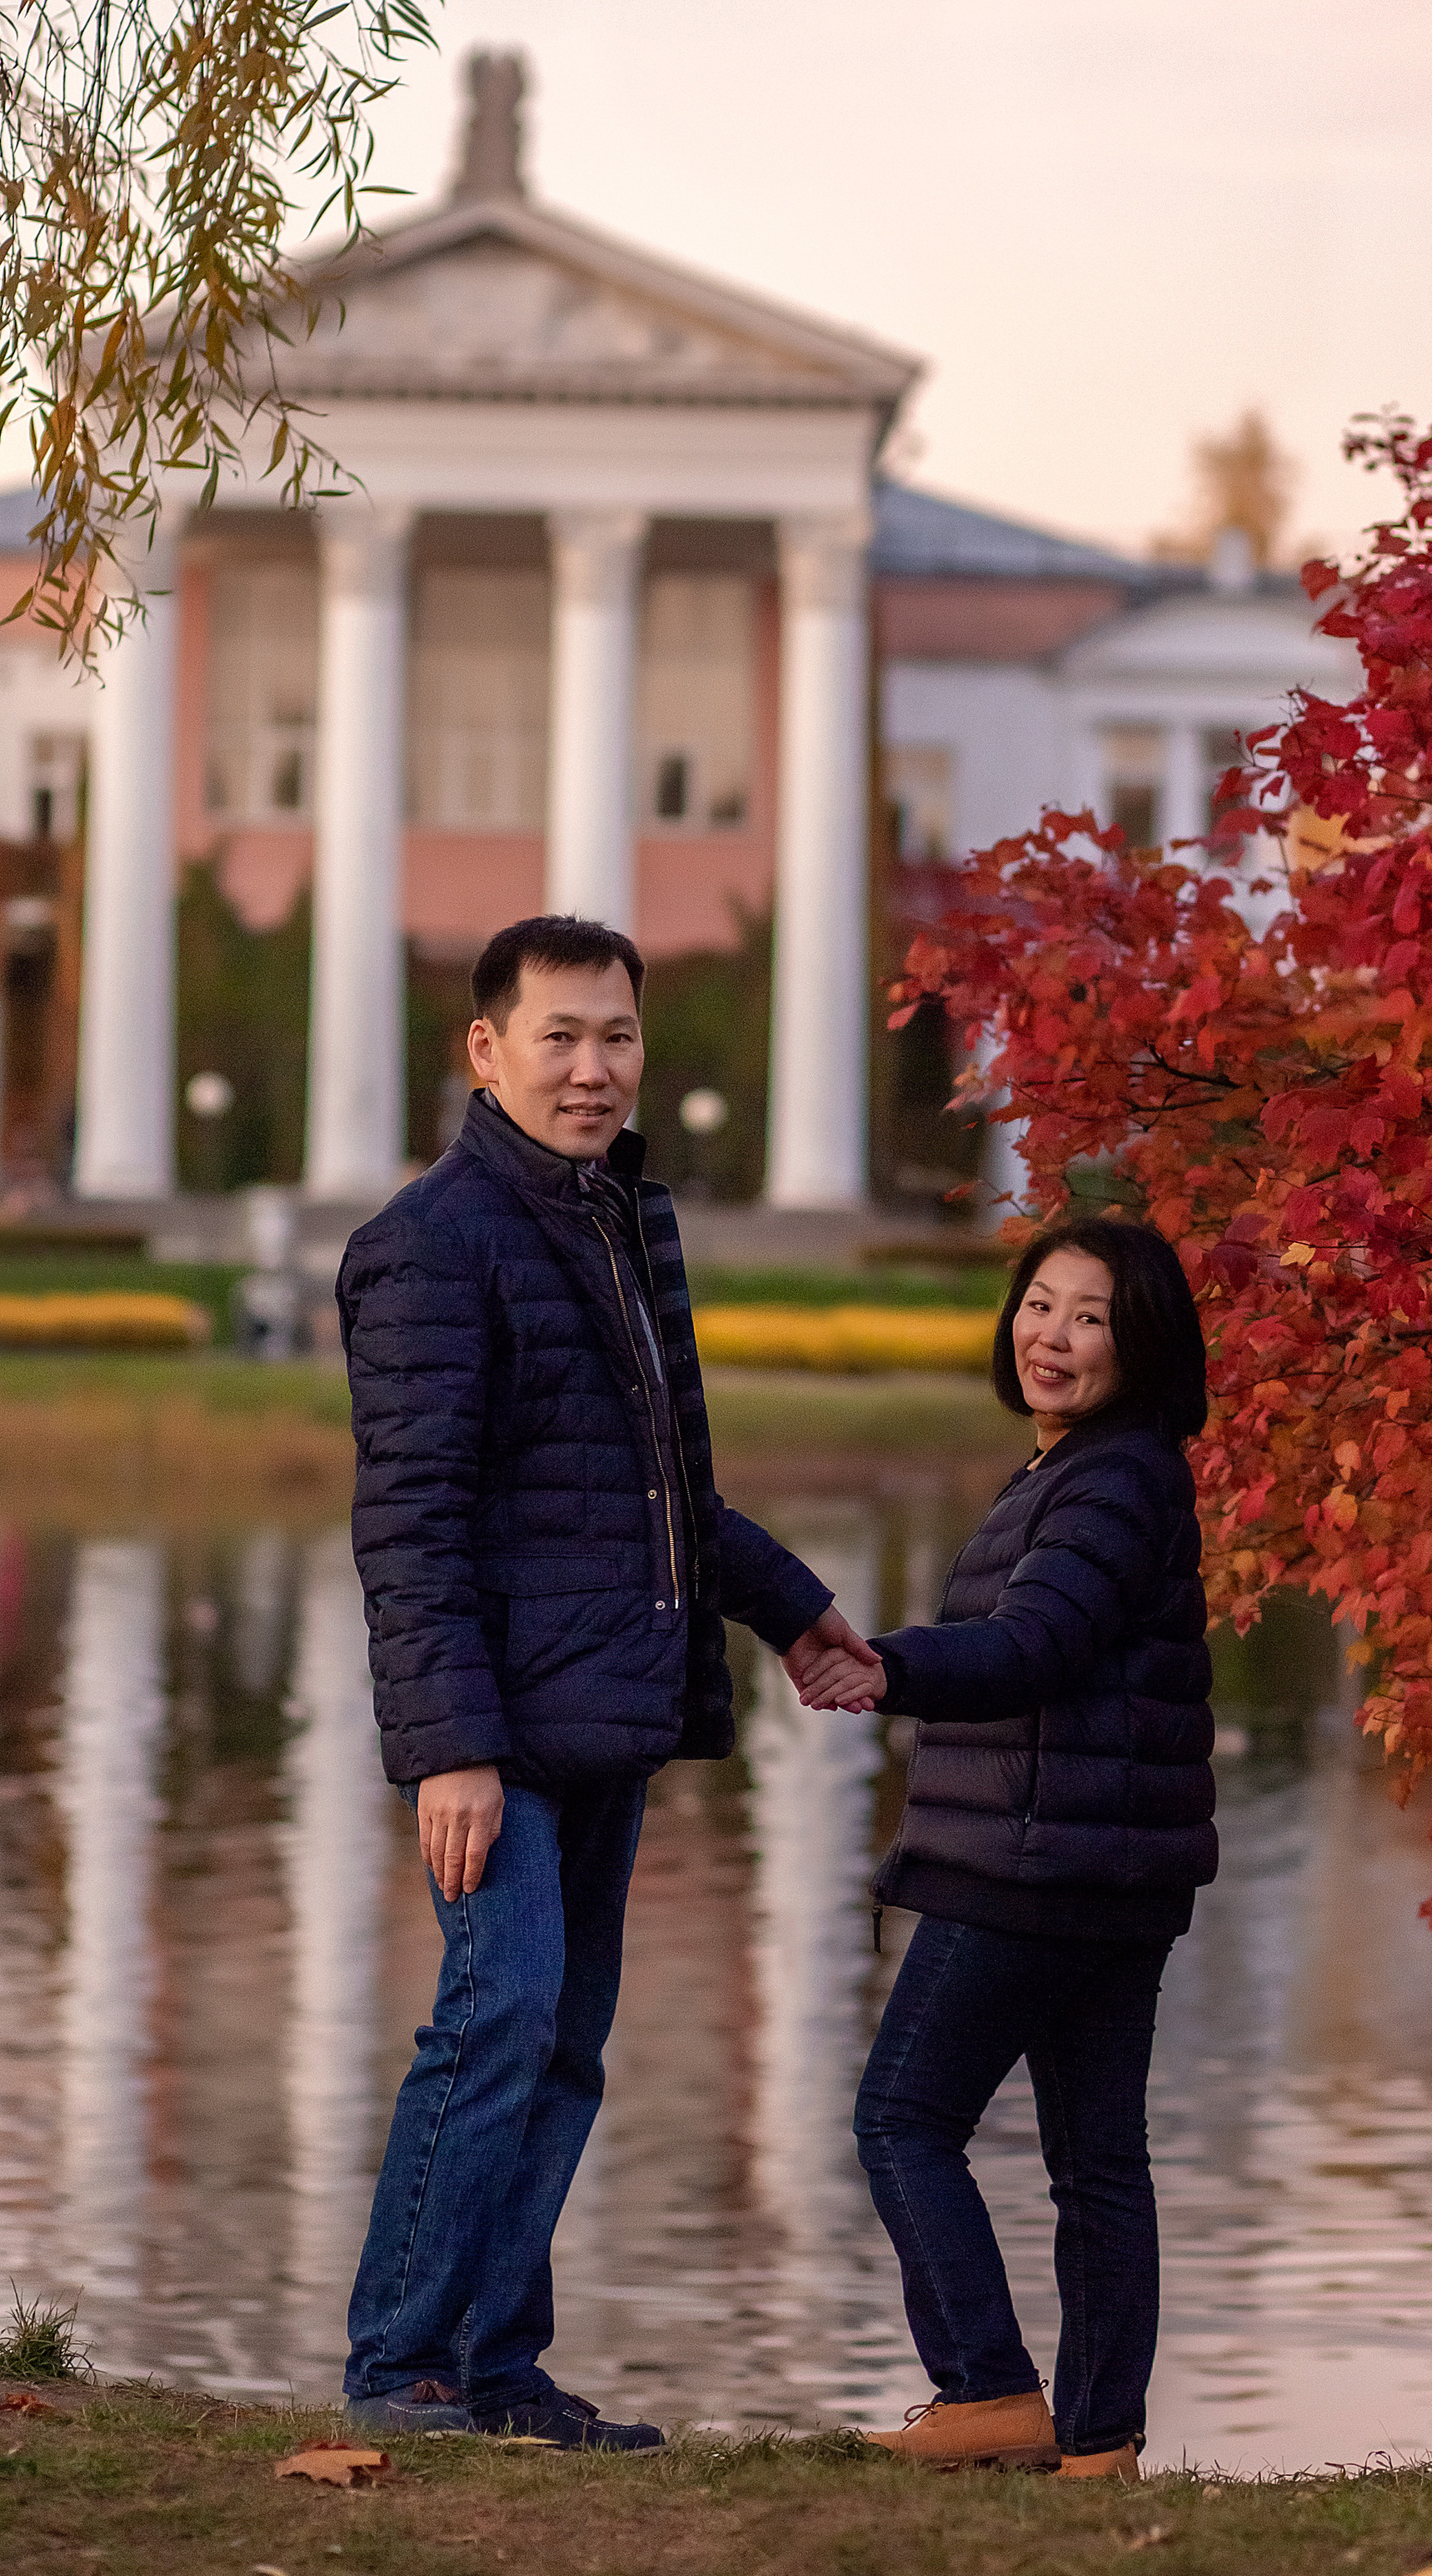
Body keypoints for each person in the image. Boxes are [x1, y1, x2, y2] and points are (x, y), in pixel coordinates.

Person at [337, 913, 874, 2448]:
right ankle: (400, 2368)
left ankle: (500, 2372)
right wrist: (451, 1750)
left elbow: (658, 1489)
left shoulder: (619, 1220)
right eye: (560, 1037)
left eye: (617, 1037)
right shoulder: (432, 1245)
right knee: (493, 2022)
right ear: (486, 1051)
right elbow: (412, 1525)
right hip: (495, 1732)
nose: (593, 1068)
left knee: (564, 2046)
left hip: (609, 1706)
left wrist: (794, 1611)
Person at [793, 1216, 1216, 2481]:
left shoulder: (1114, 1478)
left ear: (1139, 1346)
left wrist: (885, 1667)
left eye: (1091, 1317)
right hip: (1107, 1871)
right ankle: (1099, 2446)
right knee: (1097, 2163)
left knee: (901, 2118)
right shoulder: (1084, 1469)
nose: (1055, 1336)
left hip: (1036, 1866)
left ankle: (987, 2392)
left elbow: (1037, 1644)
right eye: (1042, 1304)